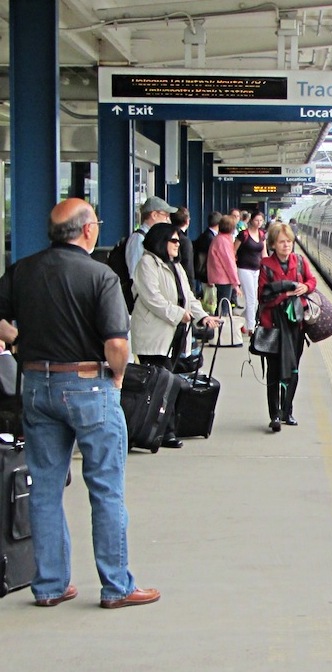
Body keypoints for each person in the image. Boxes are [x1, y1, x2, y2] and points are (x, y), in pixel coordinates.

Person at [0, 198, 159, 608]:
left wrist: (19, 341)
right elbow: (116, 343)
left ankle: (51, 585)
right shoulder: (100, 276)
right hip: (89, 385)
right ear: (88, 230)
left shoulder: (23, 271)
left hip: (36, 385)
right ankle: (116, 587)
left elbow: (0, 319)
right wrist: (119, 373)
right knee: (105, 489)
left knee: (45, 490)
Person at [131, 222, 221, 448]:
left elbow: (188, 296)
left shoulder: (175, 266)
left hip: (174, 333)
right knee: (163, 383)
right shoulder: (147, 264)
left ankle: (162, 428)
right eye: (173, 240)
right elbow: (152, 298)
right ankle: (164, 431)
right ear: (160, 241)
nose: (178, 244)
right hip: (154, 335)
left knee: (167, 381)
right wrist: (179, 314)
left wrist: (203, 317)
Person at [258, 221, 316, 432]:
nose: (286, 245)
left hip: (295, 325)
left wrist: (305, 287)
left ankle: (287, 411)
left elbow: (312, 281)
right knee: (273, 371)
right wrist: (285, 294)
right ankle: (274, 414)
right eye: (282, 242)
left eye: (289, 241)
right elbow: (262, 296)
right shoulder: (265, 265)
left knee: (293, 368)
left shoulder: (299, 262)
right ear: (273, 244)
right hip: (272, 325)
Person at [126, 196, 176, 279]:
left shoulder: (152, 237)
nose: (168, 220)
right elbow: (134, 271)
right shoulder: (138, 239)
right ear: (154, 215)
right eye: (166, 215)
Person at [234, 211, 268, 335]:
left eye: (261, 221)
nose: (258, 223)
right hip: (244, 269)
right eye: (256, 220)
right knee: (251, 298)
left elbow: (264, 254)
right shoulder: (243, 234)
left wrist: (268, 268)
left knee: (254, 299)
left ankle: (241, 320)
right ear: (251, 220)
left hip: (257, 270)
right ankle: (251, 328)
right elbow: (233, 251)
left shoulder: (262, 234)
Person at [206, 214, 241, 311]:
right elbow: (229, 263)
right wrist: (235, 283)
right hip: (223, 279)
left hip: (217, 277)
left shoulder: (218, 238)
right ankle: (221, 325)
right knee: (224, 307)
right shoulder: (224, 241)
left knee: (221, 305)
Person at [192, 210, 221, 292]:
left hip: (205, 274)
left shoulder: (207, 235)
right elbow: (210, 259)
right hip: (207, 275)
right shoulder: (210, 238)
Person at [170, 206, 196, 291]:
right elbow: (188, 266)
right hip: (181, 284)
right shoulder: (185, 241)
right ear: (187, 221)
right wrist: (192, 288)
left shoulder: (165, 238)